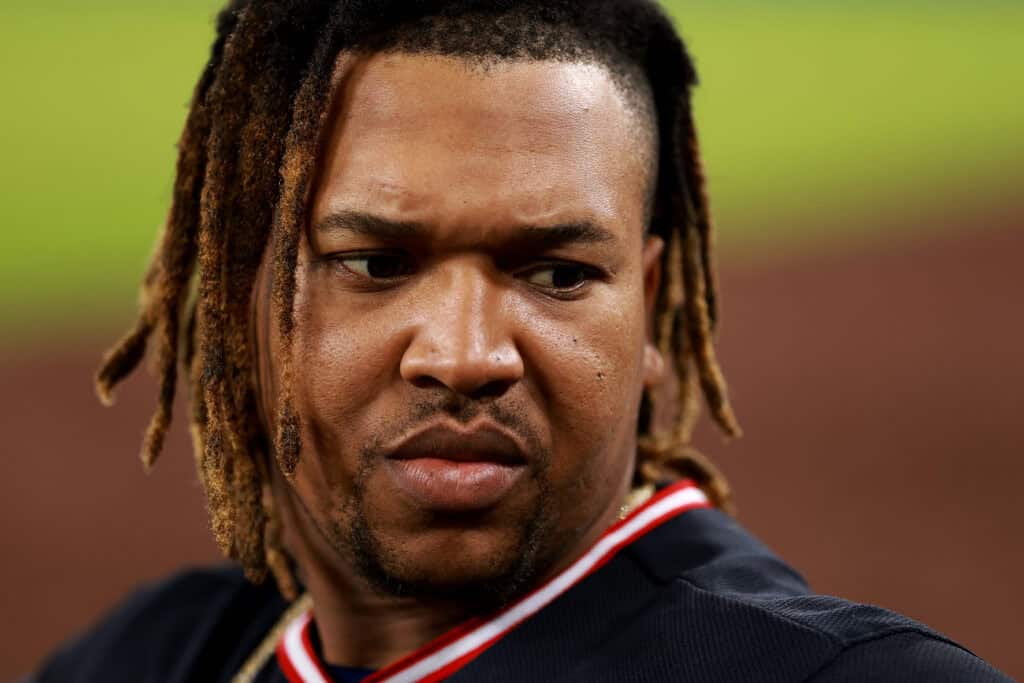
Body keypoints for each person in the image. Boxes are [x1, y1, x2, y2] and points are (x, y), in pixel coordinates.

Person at [31, 1, 1010, 681]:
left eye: (557, 274)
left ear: (651, 306)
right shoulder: (151, 656)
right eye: (374, 263)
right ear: (243, 305)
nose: (464, 355)